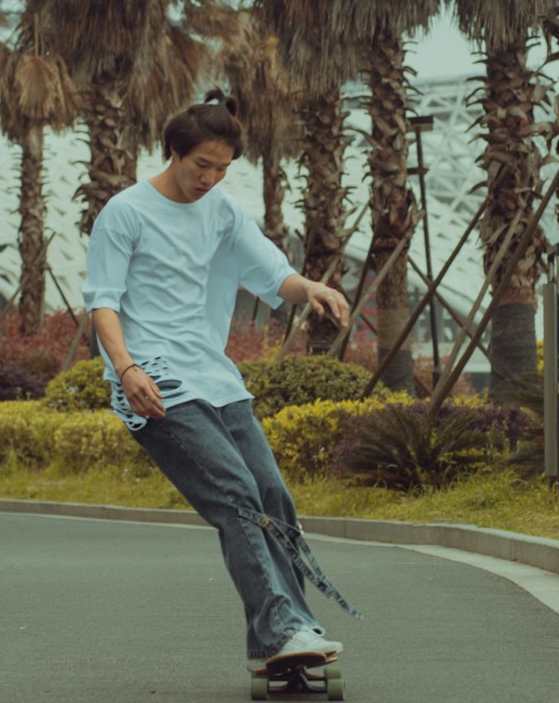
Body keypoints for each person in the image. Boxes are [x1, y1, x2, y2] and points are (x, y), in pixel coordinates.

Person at [83, 88, 361, 670]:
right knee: (236, 497)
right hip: (154, 383)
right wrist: (125, 367)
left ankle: (290, 631)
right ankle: (280, 629)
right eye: (200, 166)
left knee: (272, 497)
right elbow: (103, 303)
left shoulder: (224, 211)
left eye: (221, 168)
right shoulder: (126, 212)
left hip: (214, 377)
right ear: (172, 152)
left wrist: (310, 289)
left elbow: (272, 272)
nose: (209, 178)